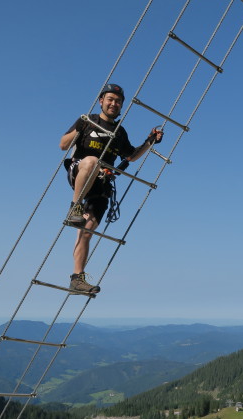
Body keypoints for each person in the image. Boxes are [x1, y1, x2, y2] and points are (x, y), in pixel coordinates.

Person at [59, 83, 163, 294]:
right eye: (110, 99)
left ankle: (76, 279)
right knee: (91, 161)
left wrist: (150, 141)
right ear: (101, 101)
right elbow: (63, 145)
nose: (114, 103)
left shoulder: (119, 132)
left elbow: (131, 156)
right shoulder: (87, 121)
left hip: (102, 185)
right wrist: (80, 128)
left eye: (118, 101)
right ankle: (75, 207)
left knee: (86, 231)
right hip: (81, 172)